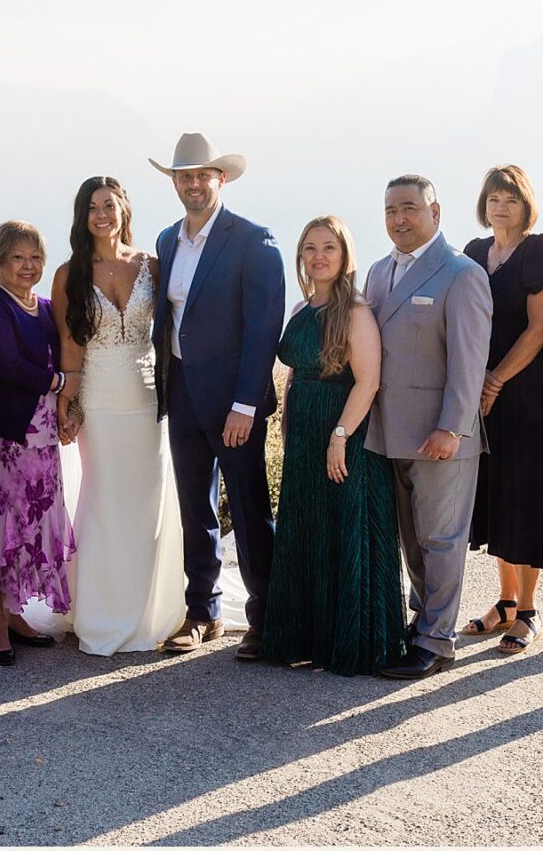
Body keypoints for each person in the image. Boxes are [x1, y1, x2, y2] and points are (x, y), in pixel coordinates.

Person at [150, 133, 286, 661]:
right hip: (182, 392)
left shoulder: (253, 240)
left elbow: (262, 328)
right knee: (194, 508)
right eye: (184, 177)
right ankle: (202, 612)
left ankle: (266, 616)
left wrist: (246, 405)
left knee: (251, 511)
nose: (193, 184)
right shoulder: (167, 240)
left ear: (220, 179)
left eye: (202, 175)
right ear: (175, 183)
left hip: (235, 402)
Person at [47, 177, 188, 654]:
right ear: (82, 217)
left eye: (109, 204)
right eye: (92, 207)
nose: (102, 214)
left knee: (149, 501)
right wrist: (69, 402)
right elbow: (69, 344)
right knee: (104, 499)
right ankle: (102, 612)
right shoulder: (69, 274)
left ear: (125, 209)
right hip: (101, 401)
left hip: (149, 399)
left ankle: (152, 609)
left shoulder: (151, 263)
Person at [262, 216, 405, 676]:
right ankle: (308, 638)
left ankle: (350, 643)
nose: (318, 256)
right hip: (303, 429)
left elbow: (368, 381)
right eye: (310, 248)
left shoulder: (356, 311)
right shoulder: (301, 309)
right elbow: (297, 373)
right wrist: (287, 423)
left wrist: (339, 437)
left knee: (343, 528)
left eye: (329, 247)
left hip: (343, 429)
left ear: (344, 255)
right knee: (308, 528)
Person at [363, 175, 493, 680]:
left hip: (440, 435)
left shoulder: (461, 274)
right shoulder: (377, 273)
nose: (399, 218)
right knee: (411, 539)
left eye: (410, 208)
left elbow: (468, 362)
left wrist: (452, 428)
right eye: (391, 209)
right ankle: (422, 622)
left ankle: (437, 641)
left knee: (441, 539)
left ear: (435, 213)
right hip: (388, 431)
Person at [461, 166, 543, 656]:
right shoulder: (473, 253)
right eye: (493, 198)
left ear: (526, 204)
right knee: (496, 496)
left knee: (525, 497)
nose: (499, 206)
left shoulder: (541, 250)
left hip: (525, 390)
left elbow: (539, 329)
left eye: (509, 198)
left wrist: (495, 380)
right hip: (479, 392)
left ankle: (527, 611)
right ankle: (505, 602)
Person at [0, 220, 74, 666]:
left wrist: (68, 403)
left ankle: (15, 613)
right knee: (1, 527)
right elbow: (6, 362)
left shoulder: (45, 307)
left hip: (43, 436)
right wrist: (60, 381)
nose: (28, 266)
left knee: (30, 526)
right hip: (3, 438)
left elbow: (69, 343)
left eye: (35, 258)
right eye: (17, 258)